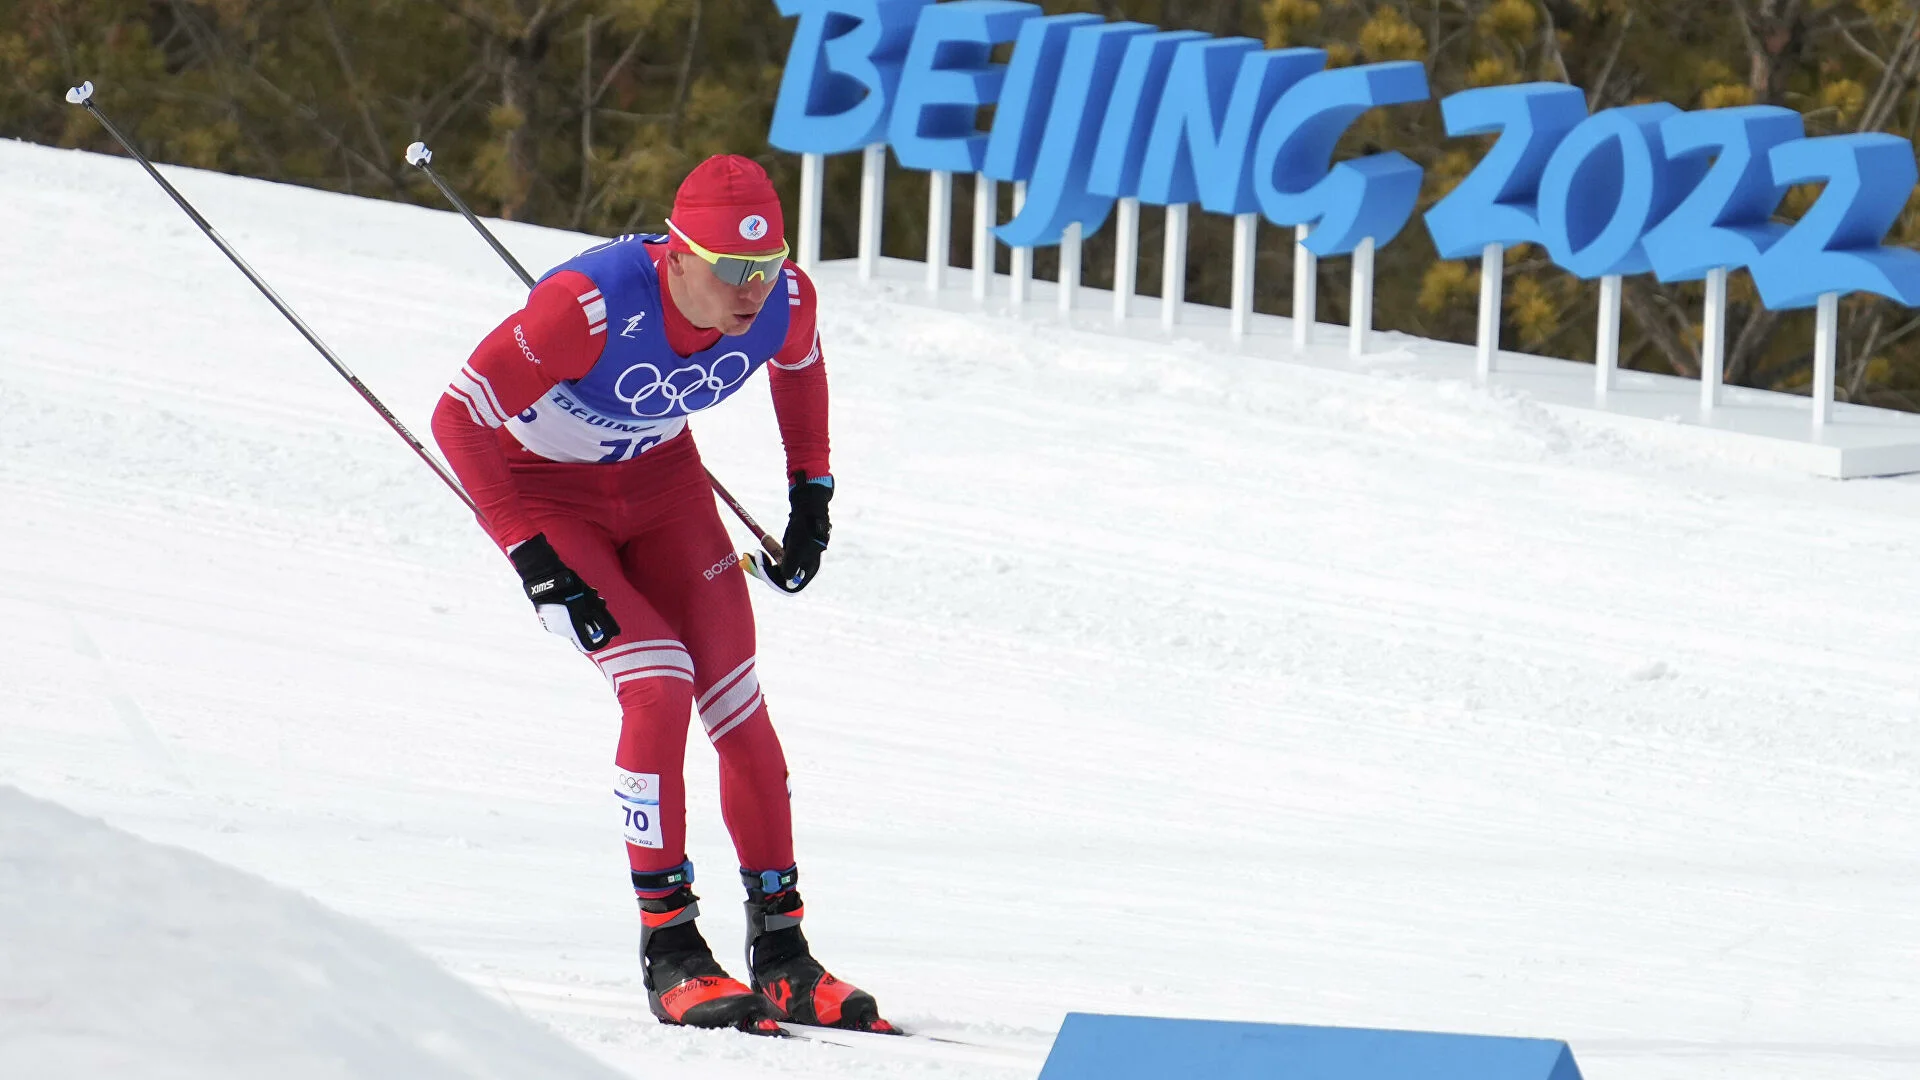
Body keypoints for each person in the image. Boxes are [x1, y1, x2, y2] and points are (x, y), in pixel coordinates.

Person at [430, 155, 889, 1035]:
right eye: (730, 270)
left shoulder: (784, 297)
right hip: (548, 494)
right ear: (677, 255)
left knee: (736, 696)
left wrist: (811, 496)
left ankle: (784, 953)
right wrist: (532, 559)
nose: (752, 290)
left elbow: (800, 370)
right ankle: (671, 948)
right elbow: (459, 414)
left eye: (765, 265)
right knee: (658, 679)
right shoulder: (587, 307)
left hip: (667, 488)